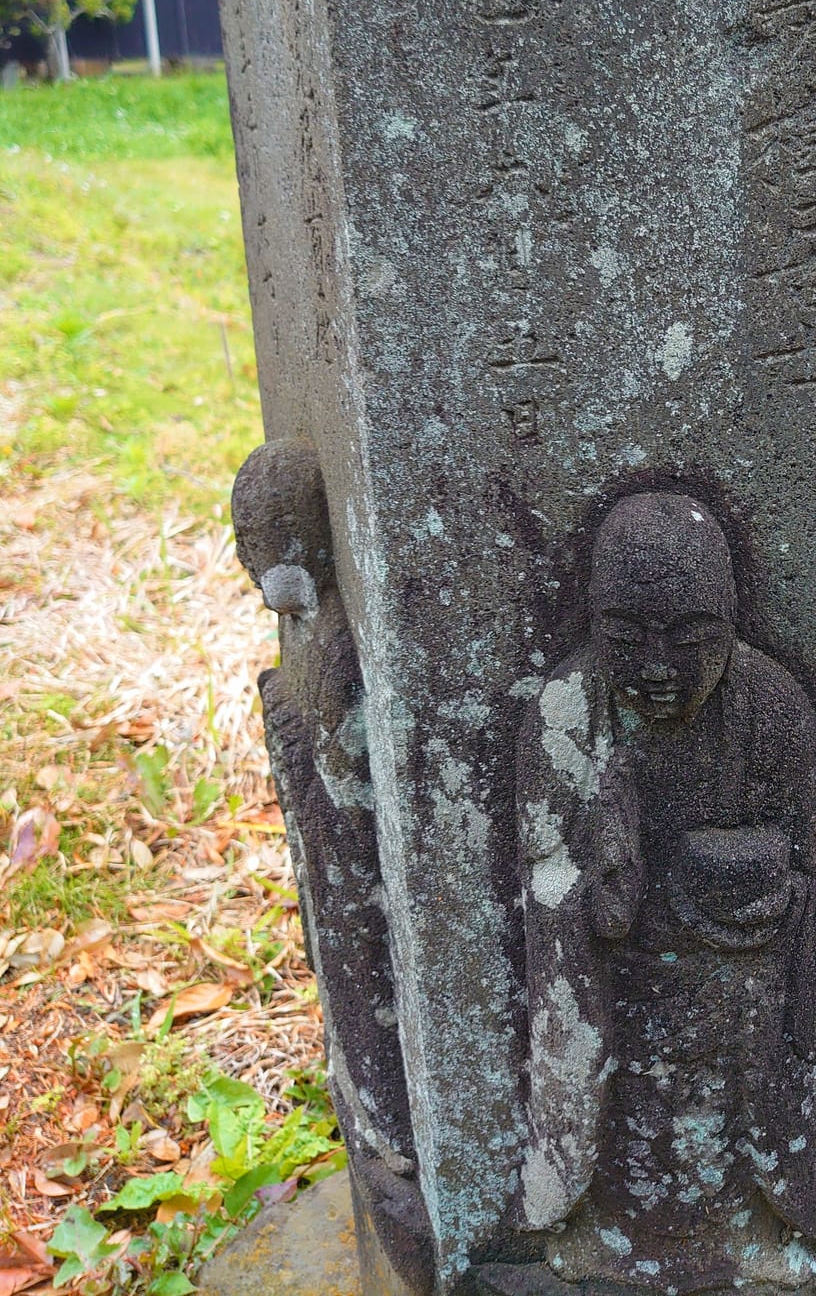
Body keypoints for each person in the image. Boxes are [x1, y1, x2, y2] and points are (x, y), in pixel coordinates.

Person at [517, 492, 816, 1291]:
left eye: (691, 637)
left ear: (728, 623)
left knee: (734, 1107)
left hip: (738, 992)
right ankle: (608, 1236)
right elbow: (544, 877)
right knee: (619, 1106)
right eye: (626, 638)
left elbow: (807, 867)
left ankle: (746, 1234)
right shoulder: (565, 711)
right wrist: (603, 888)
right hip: (615, 986)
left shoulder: (771, 709)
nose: (658, 667)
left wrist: (742, 876)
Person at [232, 439, 432, 1286]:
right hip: (330, 887)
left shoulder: (340, 653)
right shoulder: (304, 630)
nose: (258, 565)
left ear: (305, 542)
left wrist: (292, 734)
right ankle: (375, 1138)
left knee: (371, 1029)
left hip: (361, 898)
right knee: (349, 1034)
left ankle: (395, 1157)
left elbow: (354, 805)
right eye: (247, 546)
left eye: (270, 542)